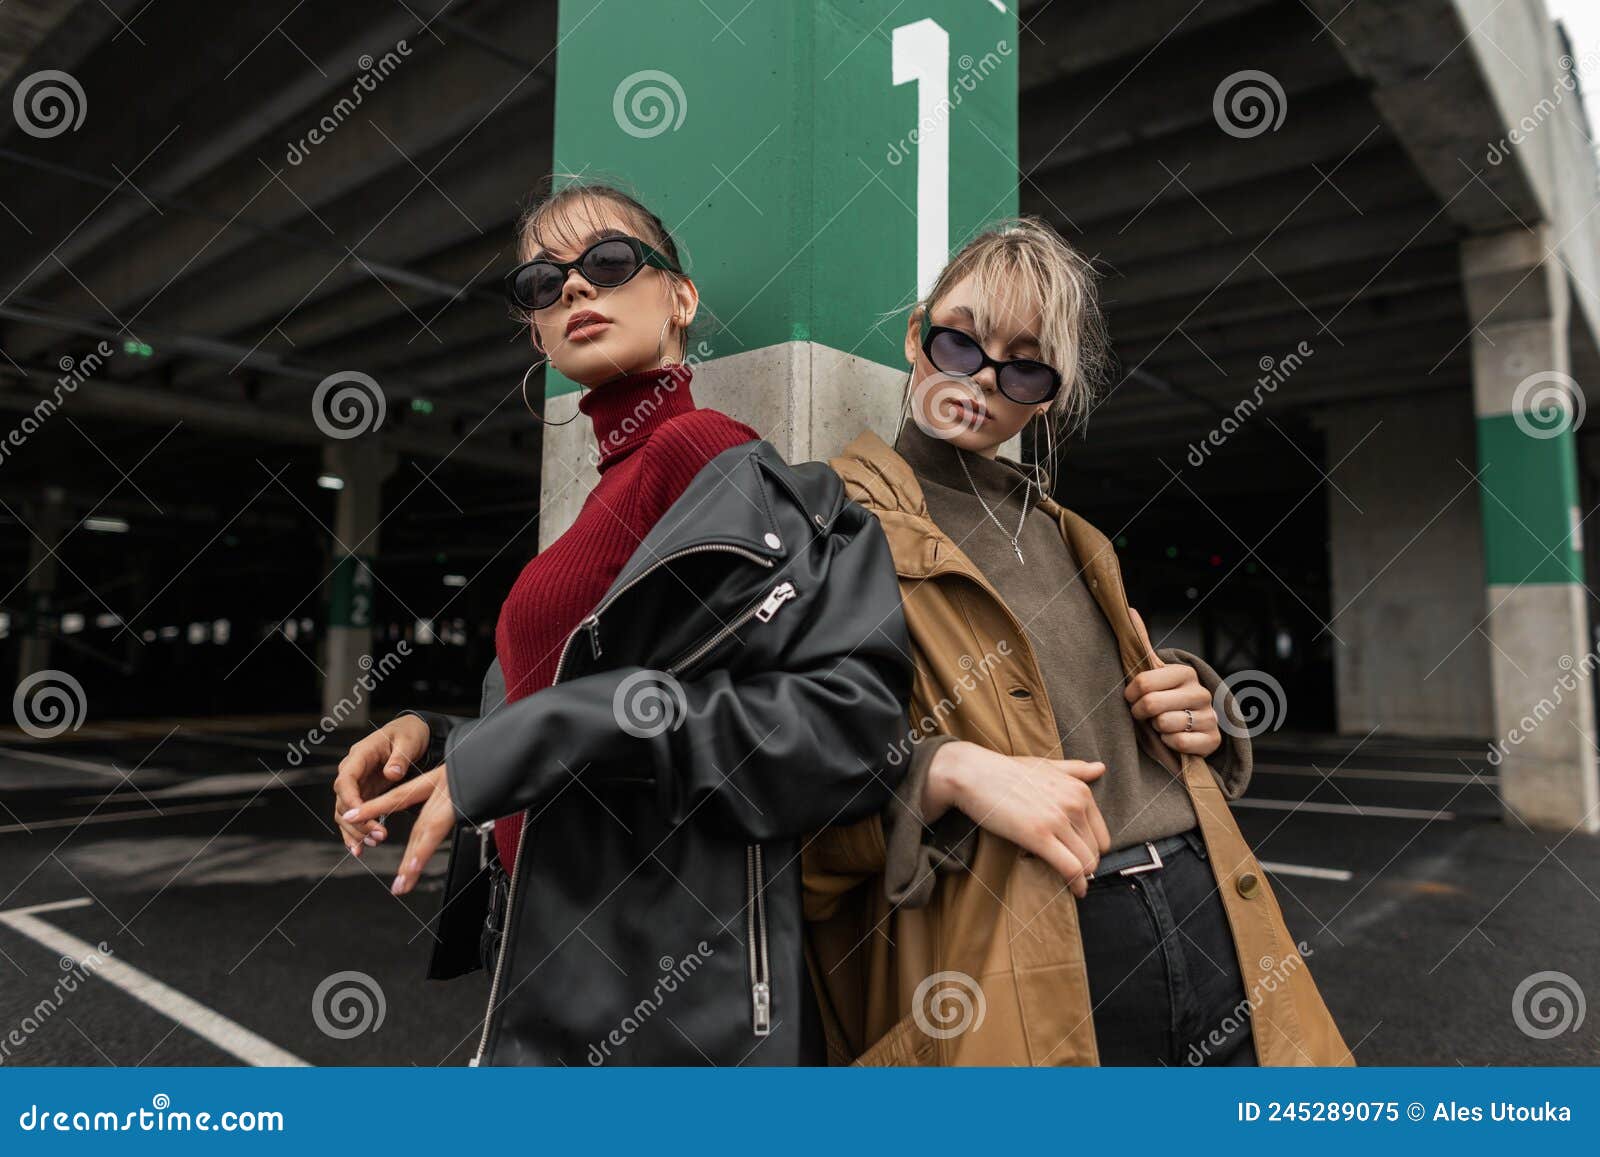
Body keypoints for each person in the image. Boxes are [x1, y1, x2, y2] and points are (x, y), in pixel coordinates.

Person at [332, 180, 911, 1065]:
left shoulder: (703, 455)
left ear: (681, 298)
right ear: (534, 328)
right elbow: (591, 706)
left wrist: (542, 731)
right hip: (556, 934)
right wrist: (447, 736)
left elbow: (849, 729)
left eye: (607, 262)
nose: (571, 289)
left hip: (657, 966)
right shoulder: (611, 490)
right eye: (541, 283)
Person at [804, 218, 1350, 1067]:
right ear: (917, 338)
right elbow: (786, 798)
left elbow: (1110, 715)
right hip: (1032, 961)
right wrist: (937, 771)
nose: (983, 377)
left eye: (1023, 364)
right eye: (960, 342)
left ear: (1047, 395)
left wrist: (1191, 703)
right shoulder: (840, 526)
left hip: (1213, 925)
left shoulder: (1073, 536)